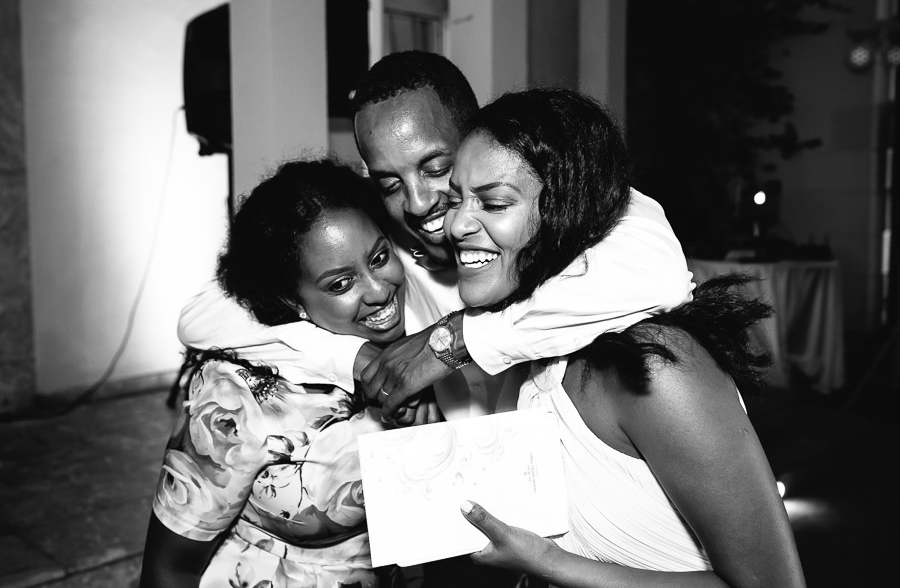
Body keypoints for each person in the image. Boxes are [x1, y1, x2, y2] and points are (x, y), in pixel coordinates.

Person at [179, 51, 694, 425]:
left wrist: (455, 340)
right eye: (389, 182)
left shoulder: (548, 201)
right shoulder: (379, 243)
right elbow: (202, 315)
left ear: (475, 141)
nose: (419, 202)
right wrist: (355, 361)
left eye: (436, 167)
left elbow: (660, 273)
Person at [445, 88, 806, 587]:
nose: (456, 223)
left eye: (494, 202)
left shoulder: (655, 365)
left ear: (566, 211)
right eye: (456, 199)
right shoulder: (538, 349)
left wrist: (547, 562)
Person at [141, 159, 421, 588]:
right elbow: (169, 569)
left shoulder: (421, 349)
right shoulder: (239, 397)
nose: (379, 289)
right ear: (293, 301)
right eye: (340, 284)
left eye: (379, 258)